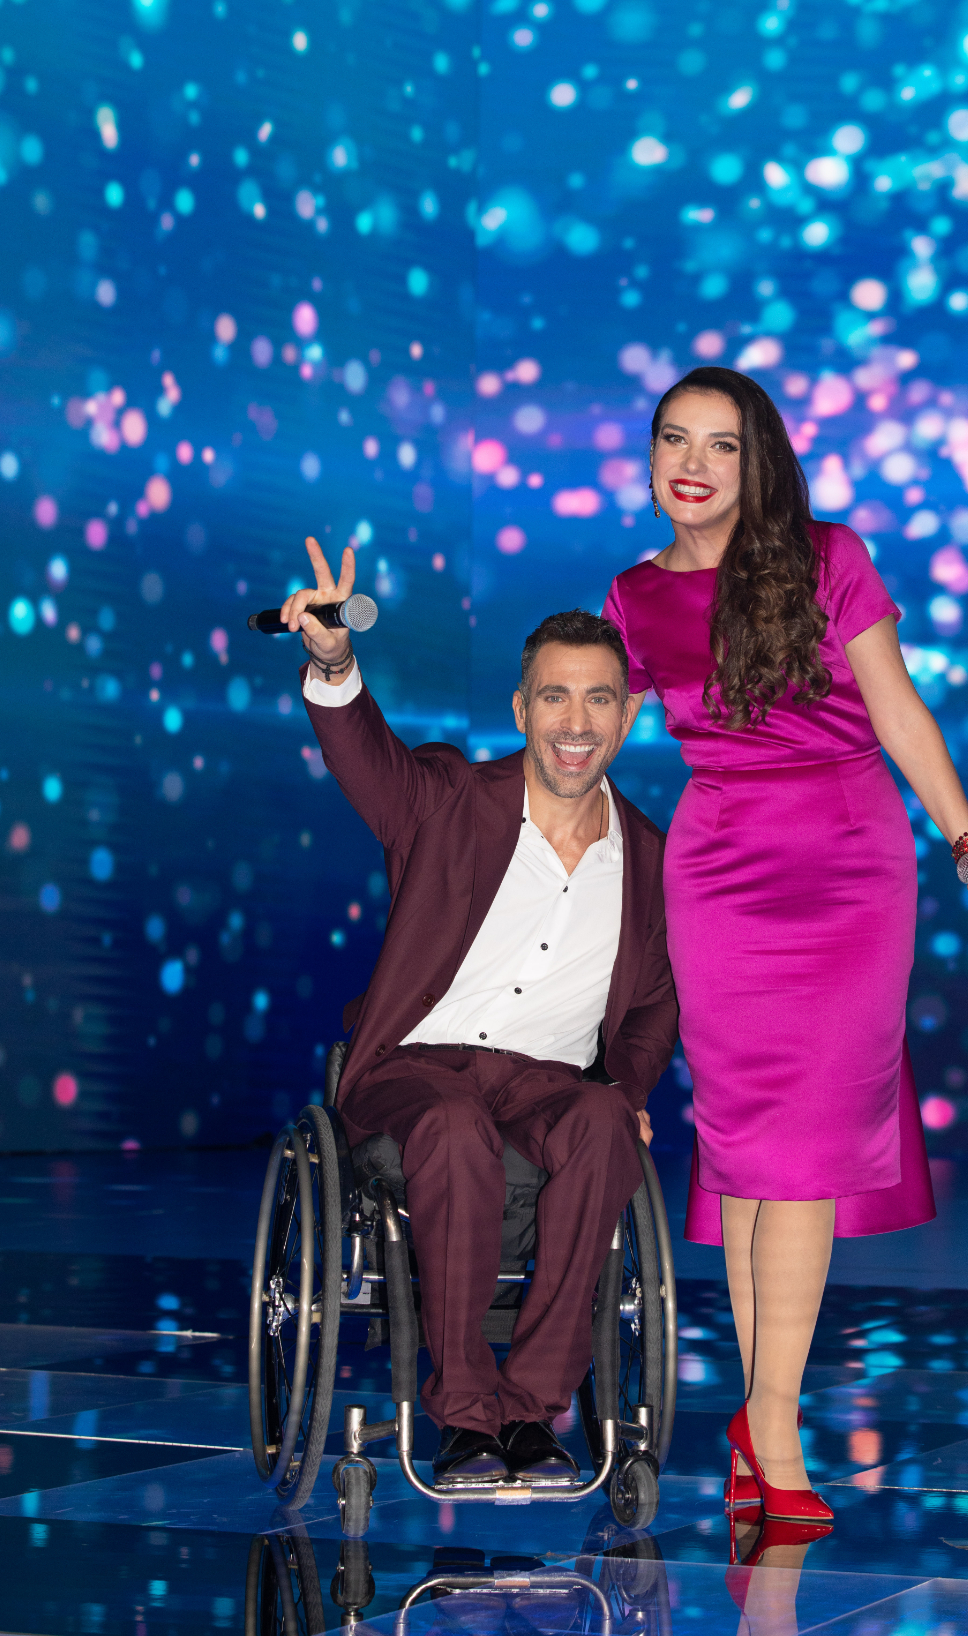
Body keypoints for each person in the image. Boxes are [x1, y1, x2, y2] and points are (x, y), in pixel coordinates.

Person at [603, 367, 968, 1525]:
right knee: (754, 1147)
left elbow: (897, 710)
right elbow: (586, 737)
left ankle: (769, 1420)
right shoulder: (631, 595)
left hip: (851, 866)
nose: (693, 463)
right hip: (719, 874)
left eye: (722, 444)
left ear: (762, 462)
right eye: (674, 439)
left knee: (801, 1150)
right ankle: (770, 1425)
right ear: (650, 458)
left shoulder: (829, 556)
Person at [281, 538, 679, 1488]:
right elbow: (368, 760)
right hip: (417, 1069)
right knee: (456, 1124)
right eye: (555, 697)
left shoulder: (653, 859)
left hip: (548, 1084)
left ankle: (533, 1411)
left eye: (598, 700)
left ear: (629, 715)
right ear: (521, 709)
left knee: (602, 1124)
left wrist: (626, 1089)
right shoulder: (449, 799)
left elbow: (655, 1006)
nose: (575, 723)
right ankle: (464, 1413)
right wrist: (335, 663)